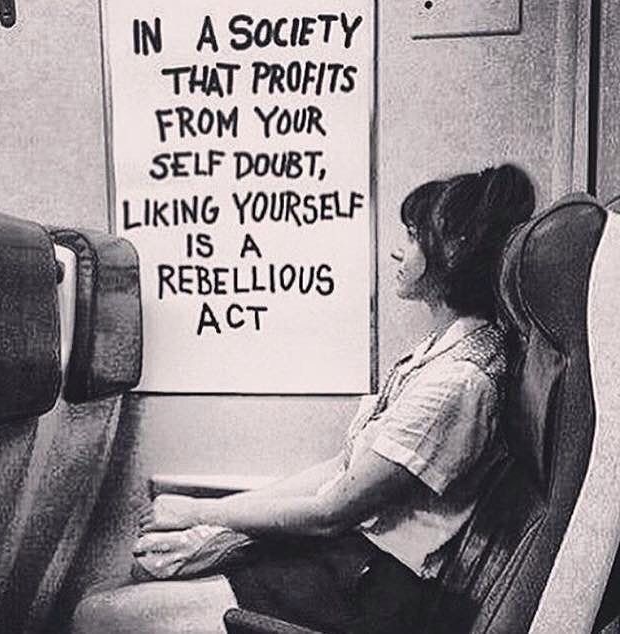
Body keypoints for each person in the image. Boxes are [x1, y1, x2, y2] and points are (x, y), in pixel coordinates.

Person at [74, 164, 535, 634]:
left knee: (96, 616)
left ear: (454, 251)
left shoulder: (459, 381)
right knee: (130, 578)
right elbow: (344, 468)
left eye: (414, 236)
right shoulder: (440, 351)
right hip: (353, 562)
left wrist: (199, 511)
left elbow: (333, 512)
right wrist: (221, 525)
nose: (399, 249)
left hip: (374, 590)